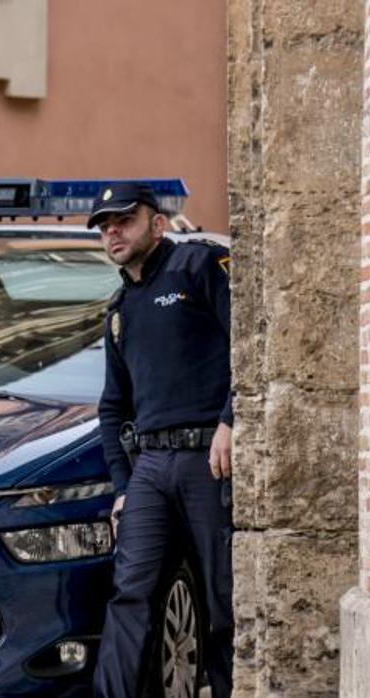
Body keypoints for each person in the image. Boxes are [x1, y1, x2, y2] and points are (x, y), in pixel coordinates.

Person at [89, 182, 234, 698]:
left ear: (157, 223)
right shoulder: (119, 309)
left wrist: (231, 420)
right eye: (104, 226)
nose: (112, 232)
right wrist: (123, 486)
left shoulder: (198, 267)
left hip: (207, 461)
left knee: (222, 600)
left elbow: (253, 344)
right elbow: (112, 407)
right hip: (150, 466)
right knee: (130, 595)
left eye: (124, 220)